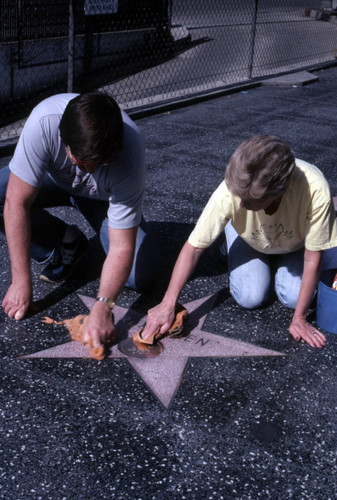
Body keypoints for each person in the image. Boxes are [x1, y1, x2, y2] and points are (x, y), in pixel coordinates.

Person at [140, 135, 337, 348]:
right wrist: (167, 304)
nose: (240, 204)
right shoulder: (231, 189)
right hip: (250, 237)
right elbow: (194, 247)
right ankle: (232, 240)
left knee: (293, 298)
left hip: (295, 243)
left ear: (279, 193)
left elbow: (312, 258)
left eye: (250, 200)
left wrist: (299, 319)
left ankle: (271, 258)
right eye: (238, 196)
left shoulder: (315, 188)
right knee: (249, 297)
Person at [0, 92, 156, 349]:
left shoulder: (130, 151)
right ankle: (62, 243)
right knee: (6, 196)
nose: (91, 171)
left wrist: (103, 305)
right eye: (83, 163)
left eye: (100, 163)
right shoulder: (44, 122)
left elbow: (121, 247)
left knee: (141, 276)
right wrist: (20, 281)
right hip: (52, 180)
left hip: (100, 199)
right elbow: (17, 203)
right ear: (65, 143)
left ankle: (84, 238)